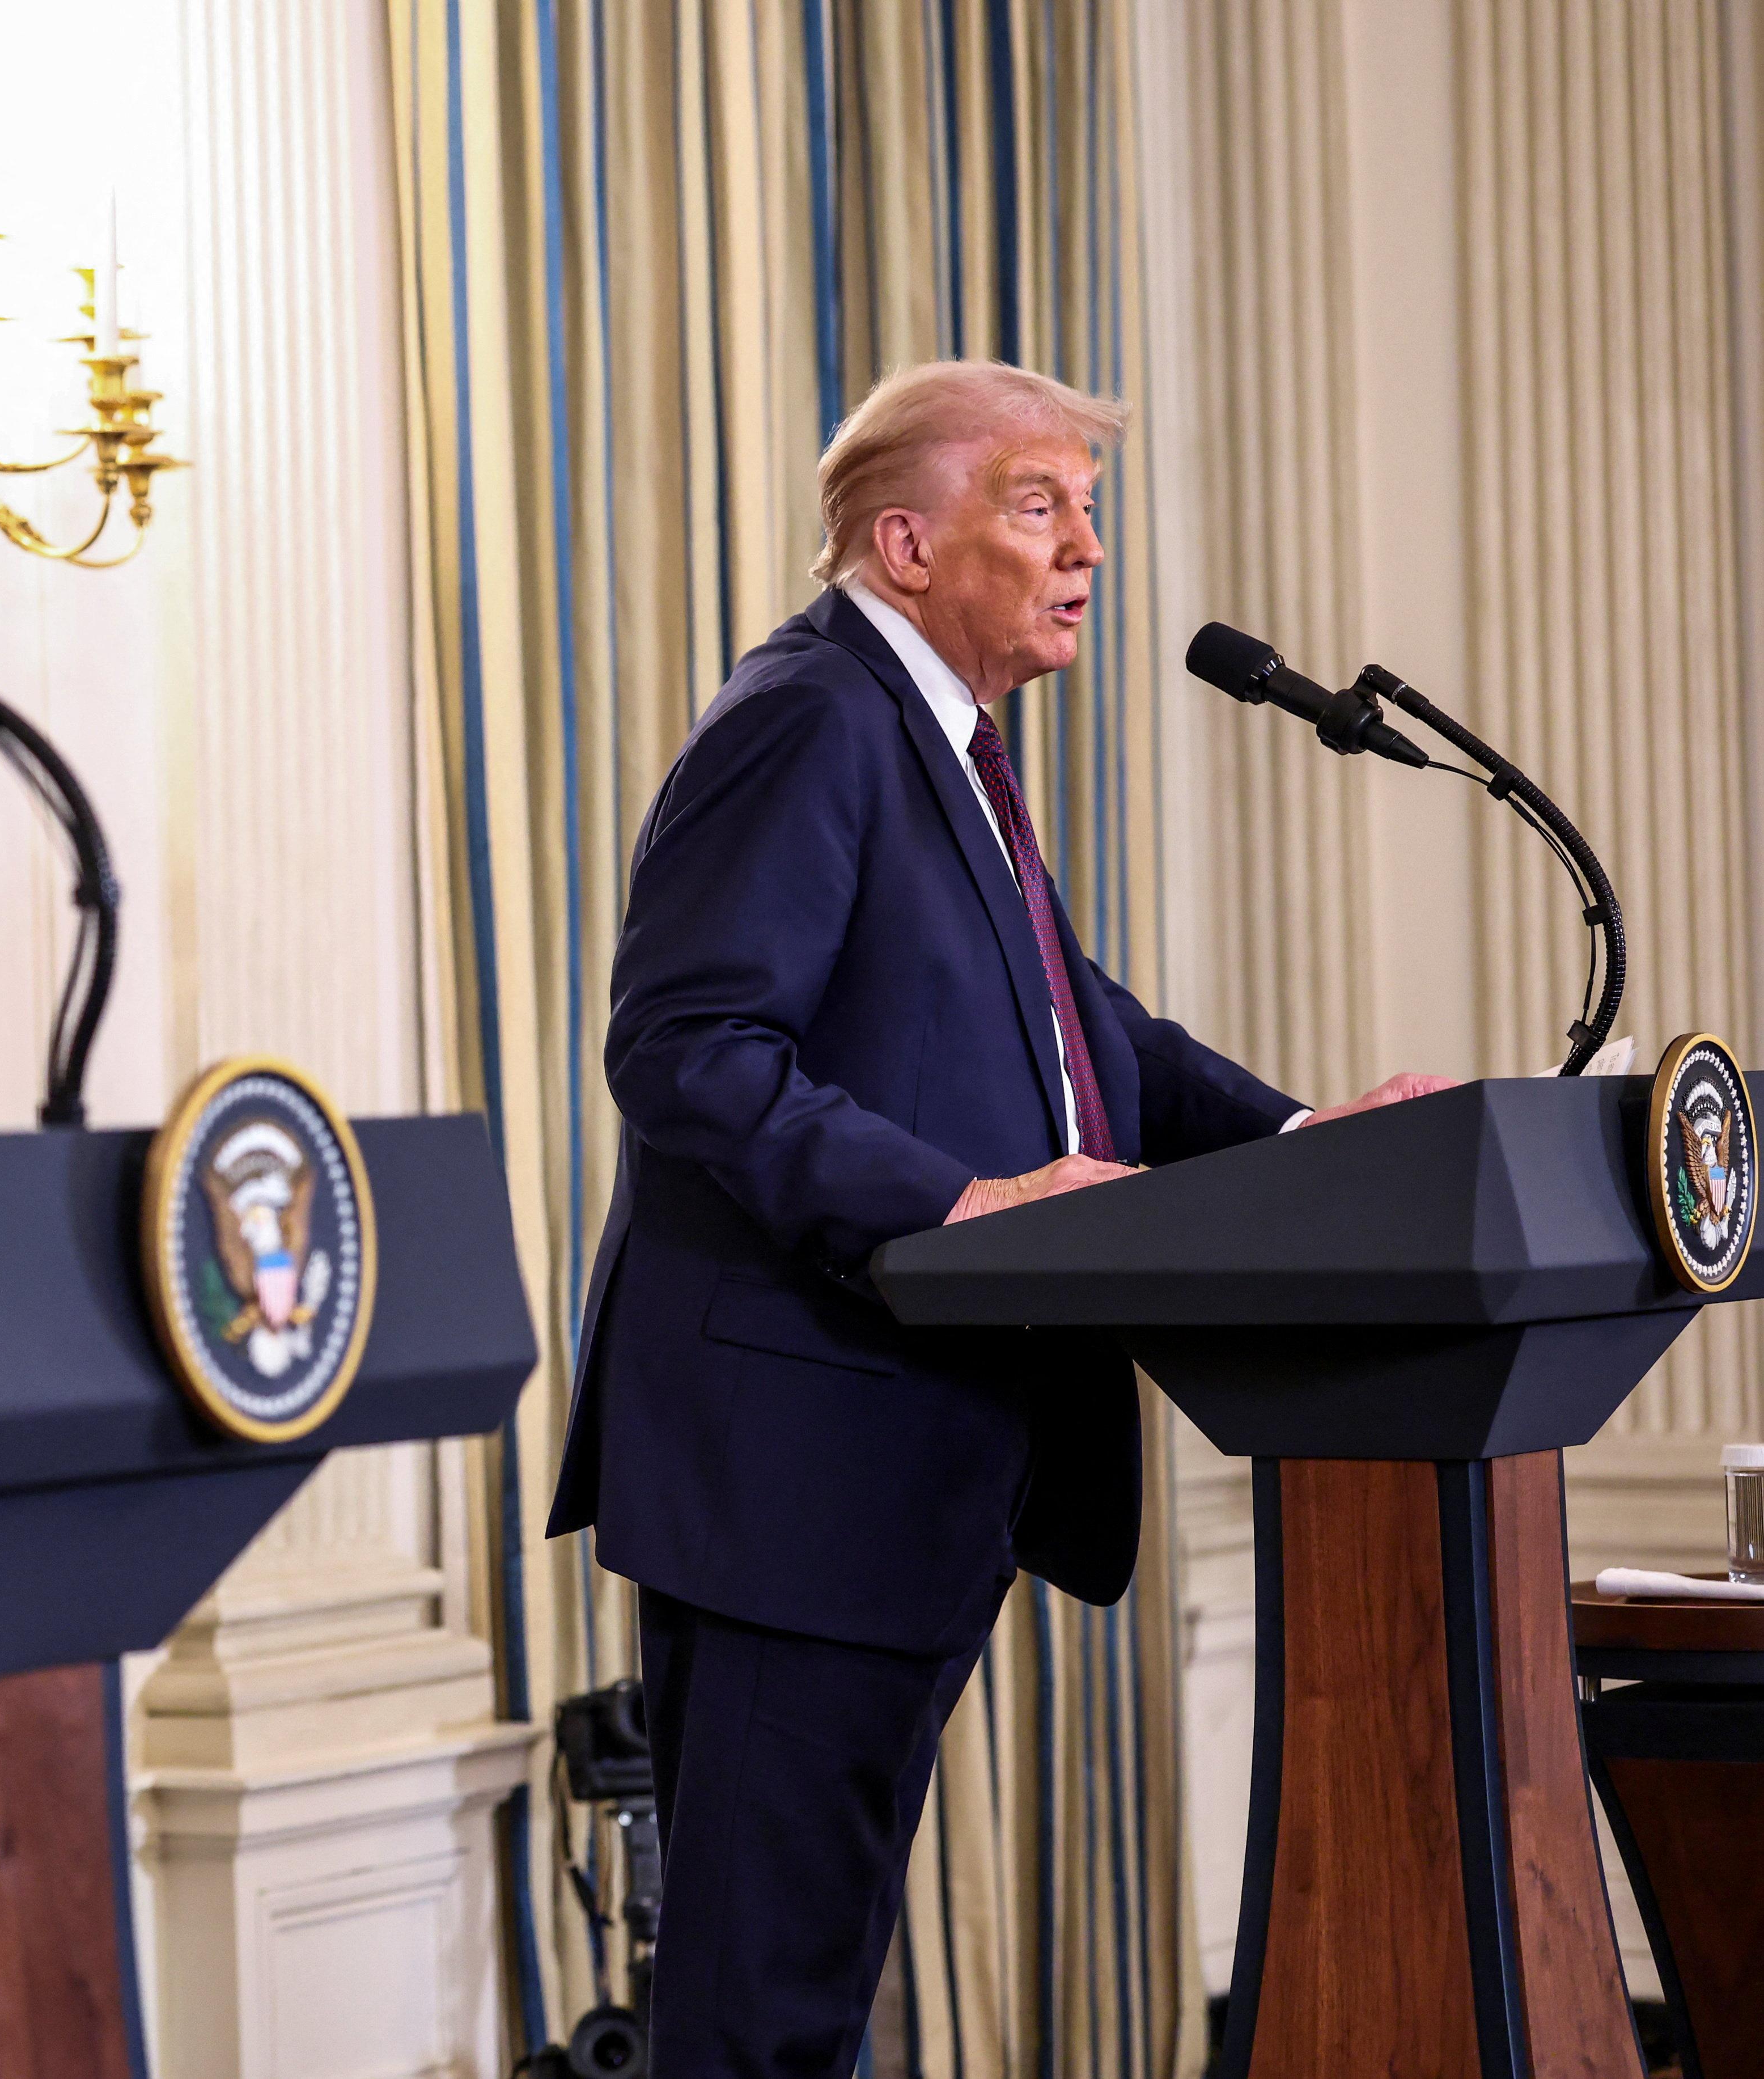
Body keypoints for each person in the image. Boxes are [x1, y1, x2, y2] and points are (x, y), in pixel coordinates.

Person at [545, 359, 1449, 2077]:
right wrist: (959, 1198)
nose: (1082, 547)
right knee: (755, 2016)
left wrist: (1302, 1136)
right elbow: (681, 1049)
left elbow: (1075, 1026)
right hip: (788, 1466)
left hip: (898, 1464)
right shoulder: (808, 714)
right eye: (1037, 504)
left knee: (805, 1996)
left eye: (1085, 509)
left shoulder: (936, 748)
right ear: (902, 543)